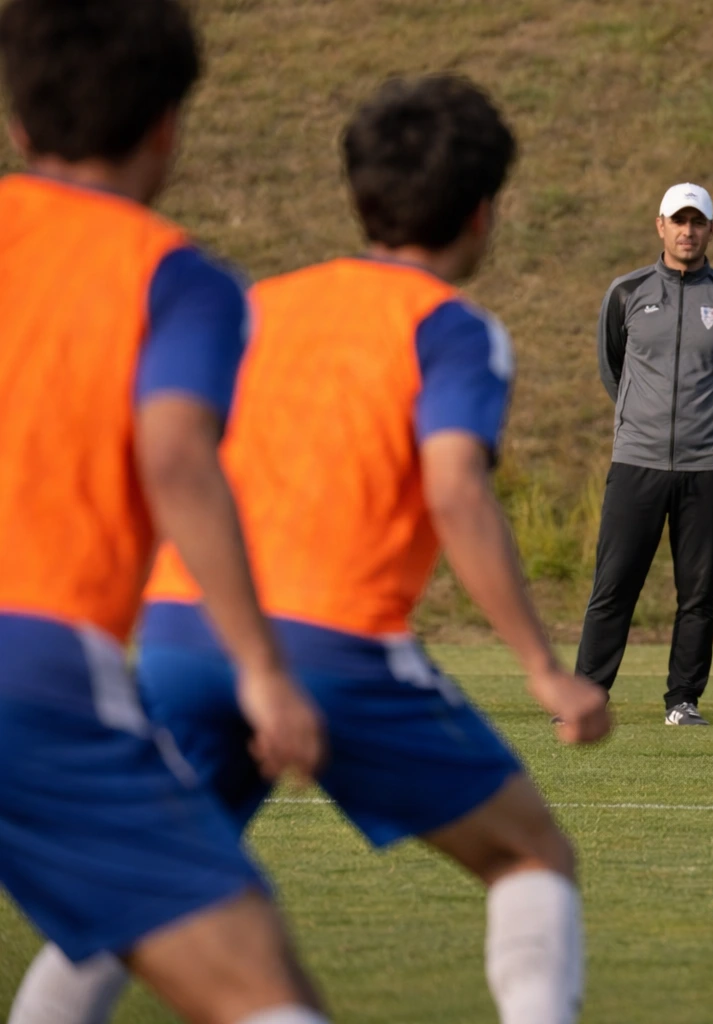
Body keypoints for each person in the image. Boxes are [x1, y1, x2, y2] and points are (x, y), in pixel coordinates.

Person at [25, 75, 614, 1024]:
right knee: (530, 852)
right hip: (329, 645)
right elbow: (456, 487)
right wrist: (546, 670)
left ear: (359, 197)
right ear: (482, 211)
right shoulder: (453, 329)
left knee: (131, 896)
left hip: (182, 630)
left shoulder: (257, 306)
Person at [0, 1, 329, 1022]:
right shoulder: (178, 280)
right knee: (261, 993)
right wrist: (265, 673)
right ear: (167, 127)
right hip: (33, 670)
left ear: (17, 123)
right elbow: (178, 458)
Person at [577, 183, 713, 725]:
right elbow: (614, 368)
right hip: (637, 462)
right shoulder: (627, 291)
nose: (687, 231)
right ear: (660, 226)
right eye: (678, 221)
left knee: (697, 593)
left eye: (697, 222)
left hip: (707, 468)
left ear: (711, 230)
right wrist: (643, 420)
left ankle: (683, 699)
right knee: (613, 586)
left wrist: (708, 425)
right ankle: (587, 694)